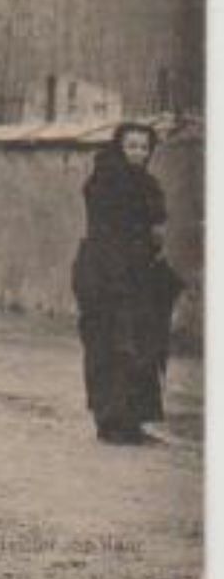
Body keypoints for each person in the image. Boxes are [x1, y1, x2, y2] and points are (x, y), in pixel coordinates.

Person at [71, 122, 183, 445]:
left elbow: (153, 230)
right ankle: (110, 421)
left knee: (141, 344)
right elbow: (108, 232)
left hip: (137, 275)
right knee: (111, 345)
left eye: (144, 147)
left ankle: (132, 421)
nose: (138, 153)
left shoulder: (147, 184)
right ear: (120, 147)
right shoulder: (105, 181)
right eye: (131, 146)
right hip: (105, 275)